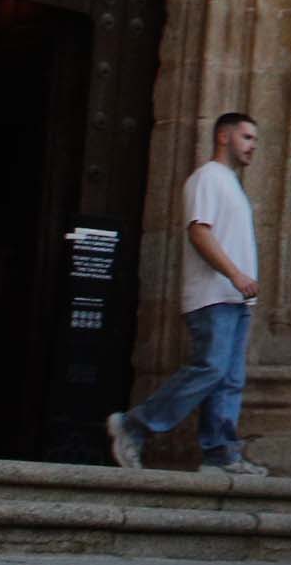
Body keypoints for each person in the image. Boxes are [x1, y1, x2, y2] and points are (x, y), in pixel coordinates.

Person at [110, 111, 267, 477]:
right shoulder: (208, 179)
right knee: (209, 368)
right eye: (246, 138)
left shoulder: (230, 183)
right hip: (214, 295)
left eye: (255, 140)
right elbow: (200, 231)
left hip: (235, 298)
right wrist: (235, 275)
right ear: (224, 137)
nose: (252, 147)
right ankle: (134, 426)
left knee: (228, 379)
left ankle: (220, 454)